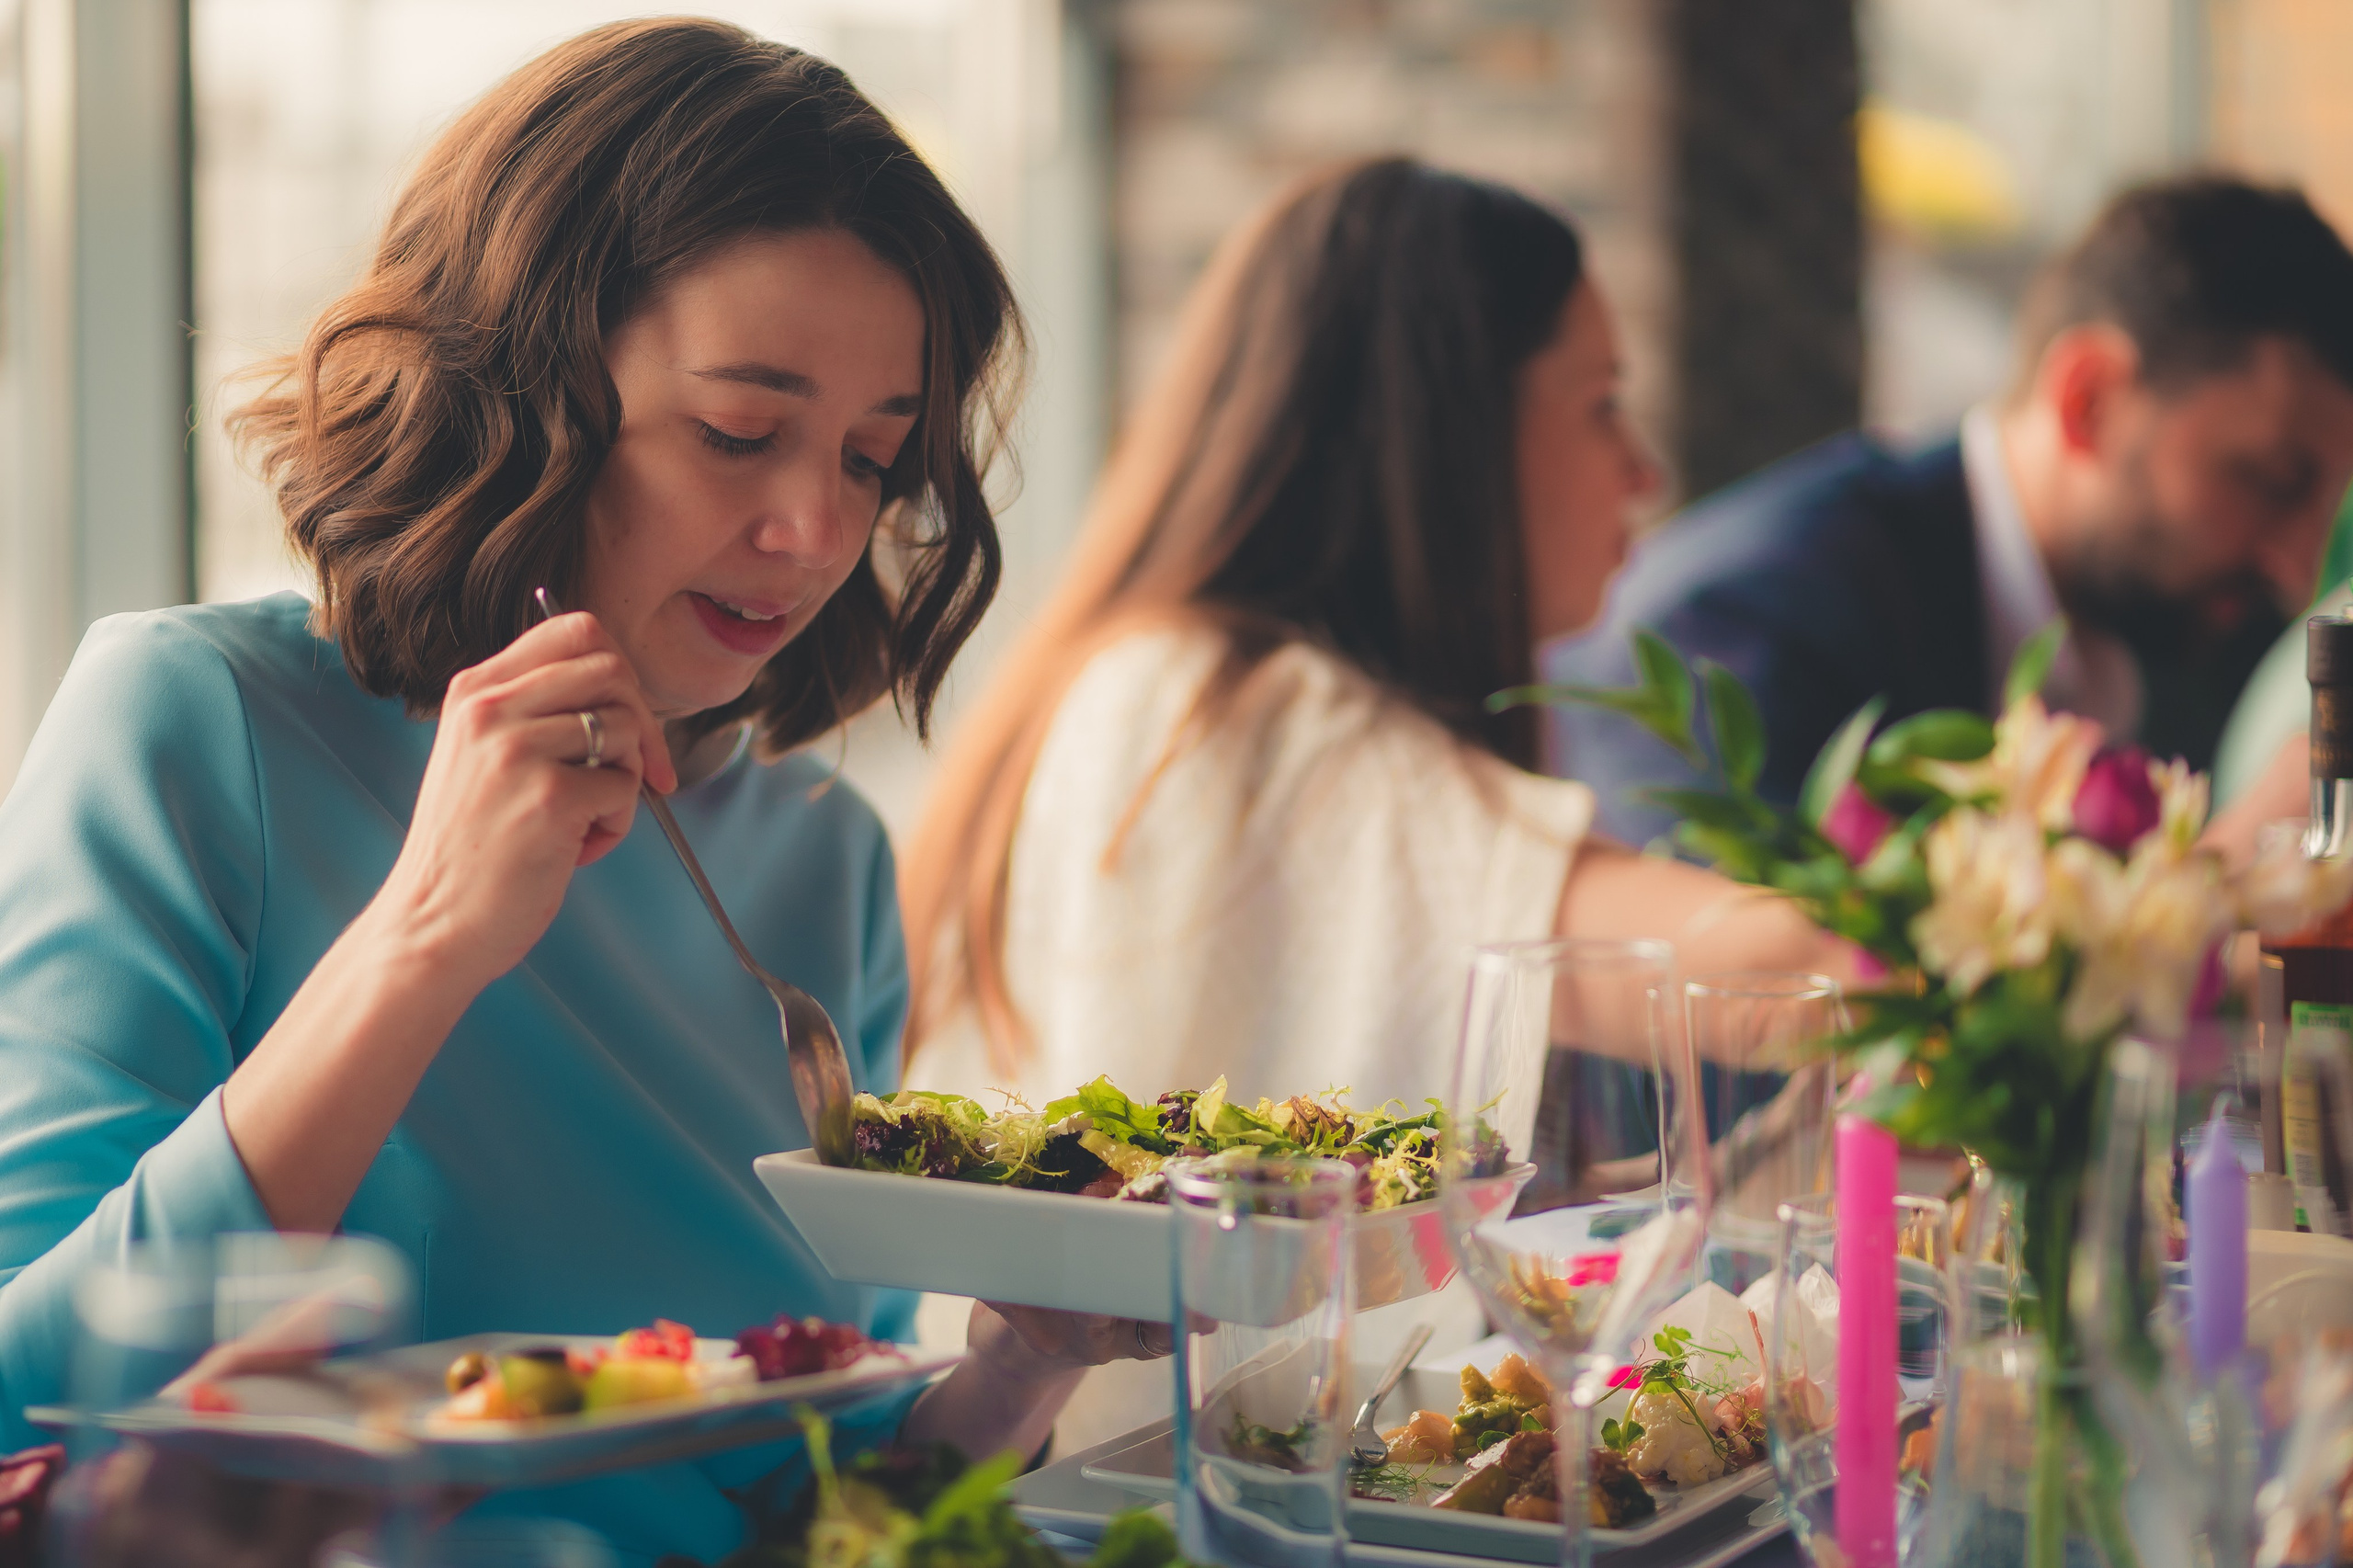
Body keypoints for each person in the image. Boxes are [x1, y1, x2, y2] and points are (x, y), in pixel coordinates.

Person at [0, 22, 1151, 1563]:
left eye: (875, 461)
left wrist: (1032, 1353)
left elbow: (821, 1494)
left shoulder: (822, 857)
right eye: (739, 432)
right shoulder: (197, 721)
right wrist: (423, 939)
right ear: (524, 390)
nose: (816, 529)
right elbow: (34, 1406)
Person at [900, 157, 1859, 1117]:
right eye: (1601, 403)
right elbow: (1778, 979)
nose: (1643, 473)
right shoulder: (1236, 708)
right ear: (1453, 434)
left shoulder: (1156, 669)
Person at [1550, 176, 2353, 847]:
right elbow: (1770, 1014)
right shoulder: (1746, 624)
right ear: (2090, 399)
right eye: (2271, 480)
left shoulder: (2196, 631)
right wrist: (2220, 886)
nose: (2298, 567)